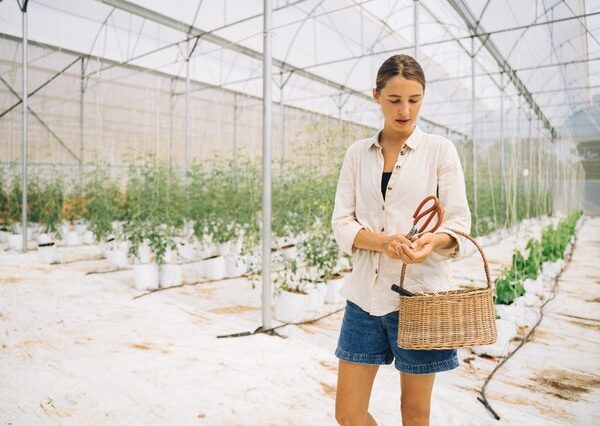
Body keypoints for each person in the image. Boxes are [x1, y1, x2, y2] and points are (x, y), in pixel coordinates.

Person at [331, 54, 472, 426]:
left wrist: (432, 242)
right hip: (364, 298)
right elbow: (341, 221)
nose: (405, 110)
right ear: (376, 96)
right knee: (348, 413)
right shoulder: (357, 154)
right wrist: (382, 242)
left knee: (414, 411)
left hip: (420, 300)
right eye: (394, 100)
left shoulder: (440, 150)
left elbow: (459, 222)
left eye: (415, 99)